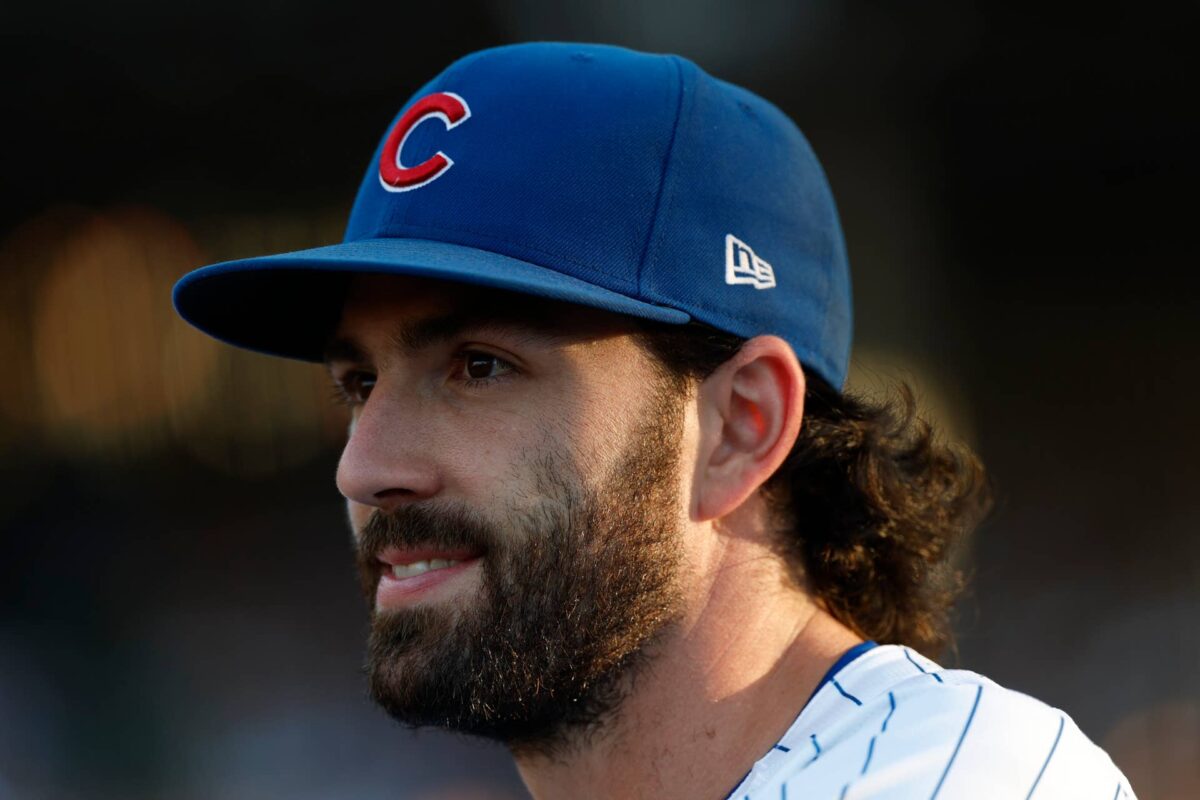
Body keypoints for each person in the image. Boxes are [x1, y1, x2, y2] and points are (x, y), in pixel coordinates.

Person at [174, 42, 1135, 800]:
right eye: (358, 384)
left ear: (740, 426)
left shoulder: (953, 781)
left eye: (479, 367)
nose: (362, 466)